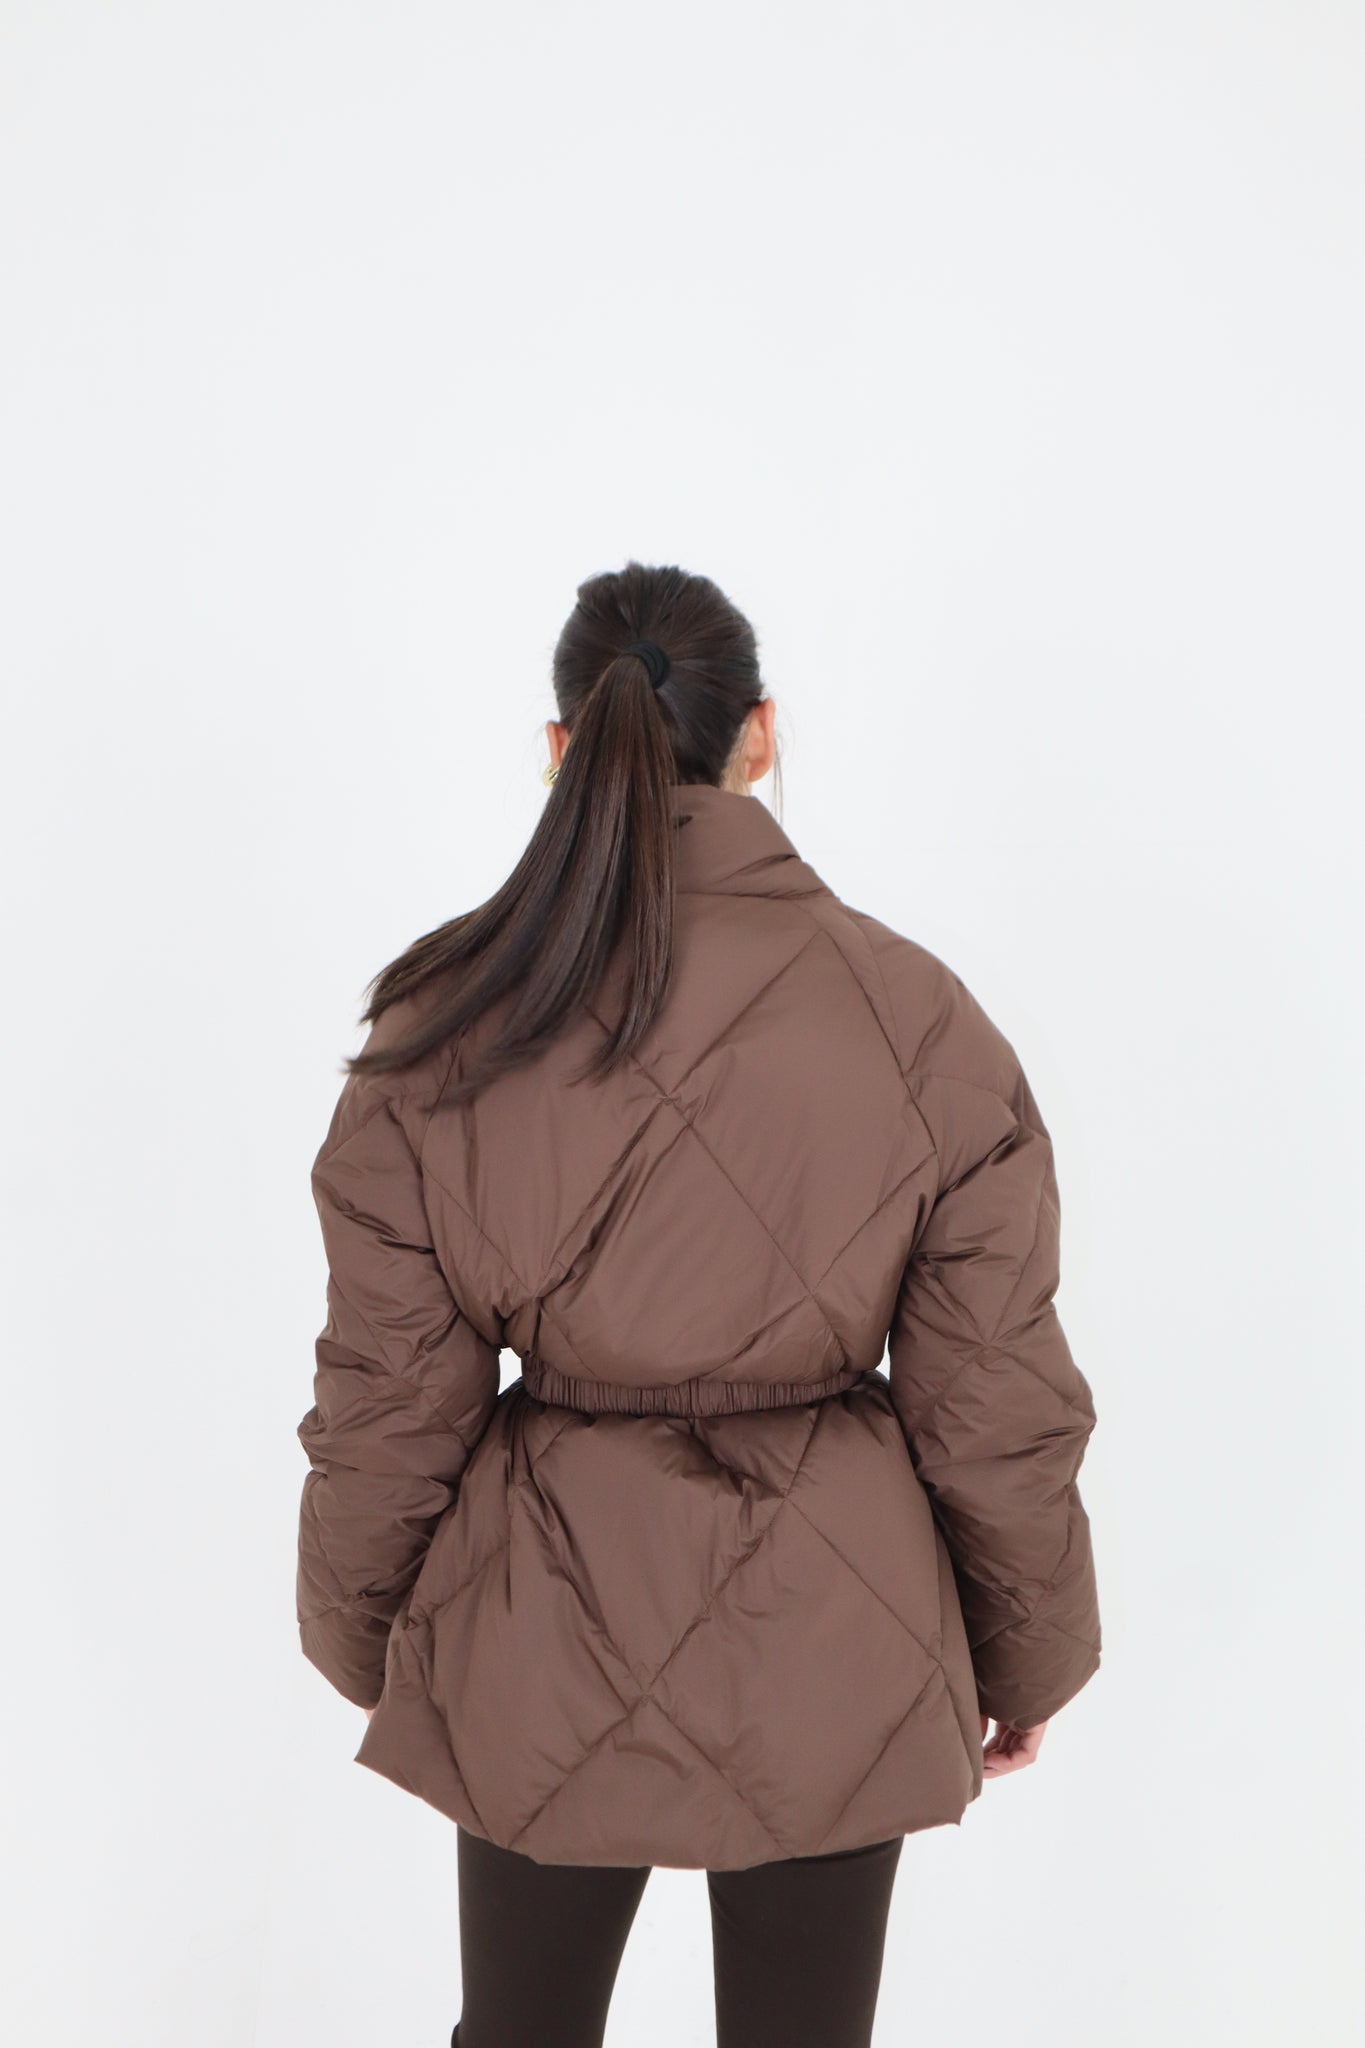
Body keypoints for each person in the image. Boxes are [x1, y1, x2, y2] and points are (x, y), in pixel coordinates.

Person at [294, 559, 1101, 2048]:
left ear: (559, 748)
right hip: (835, 1630)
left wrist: (364, 1634)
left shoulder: (446, 1022)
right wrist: (1031, 1646)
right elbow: (989, 1389)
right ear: (761, 734)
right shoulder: (917, 1018)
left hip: (539, 1622)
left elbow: (390, 1396)